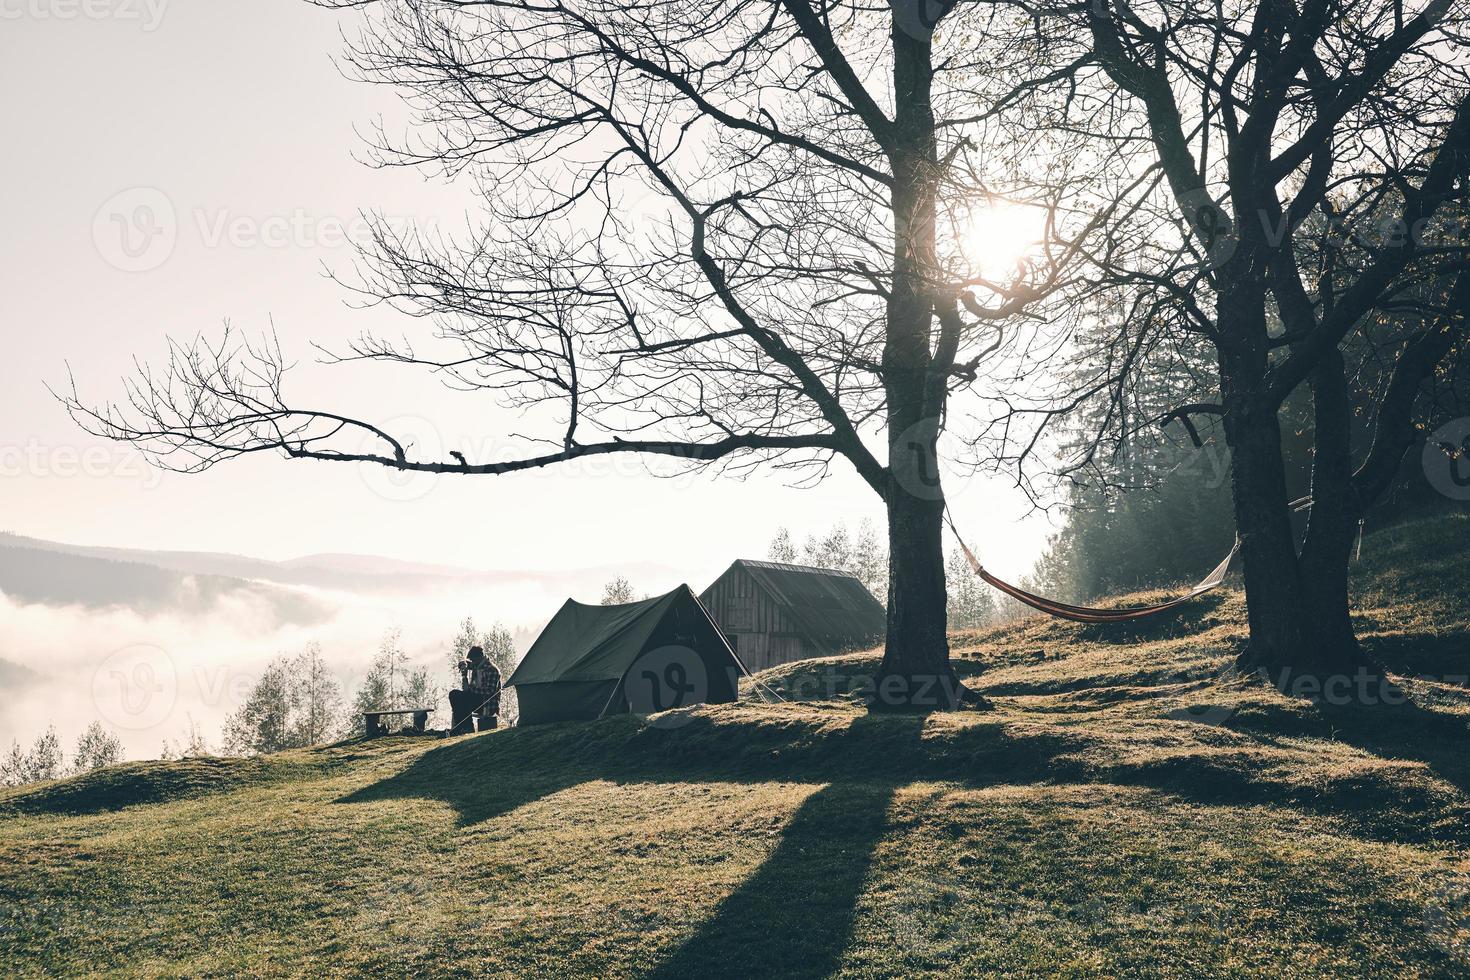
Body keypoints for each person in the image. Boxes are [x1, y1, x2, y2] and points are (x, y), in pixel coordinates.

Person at [448, 645, 501, 735]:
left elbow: (490, 691)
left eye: (473, 660)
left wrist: (471, 690)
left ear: (479, 658)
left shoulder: (492, 670)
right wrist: (463, 665)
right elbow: (465, 663)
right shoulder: (477, 666)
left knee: (463, 699)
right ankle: (463, 727)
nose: (472, 663)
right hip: (476, 699)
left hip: (487, 703)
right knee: (454, 695)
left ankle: (467, 727)